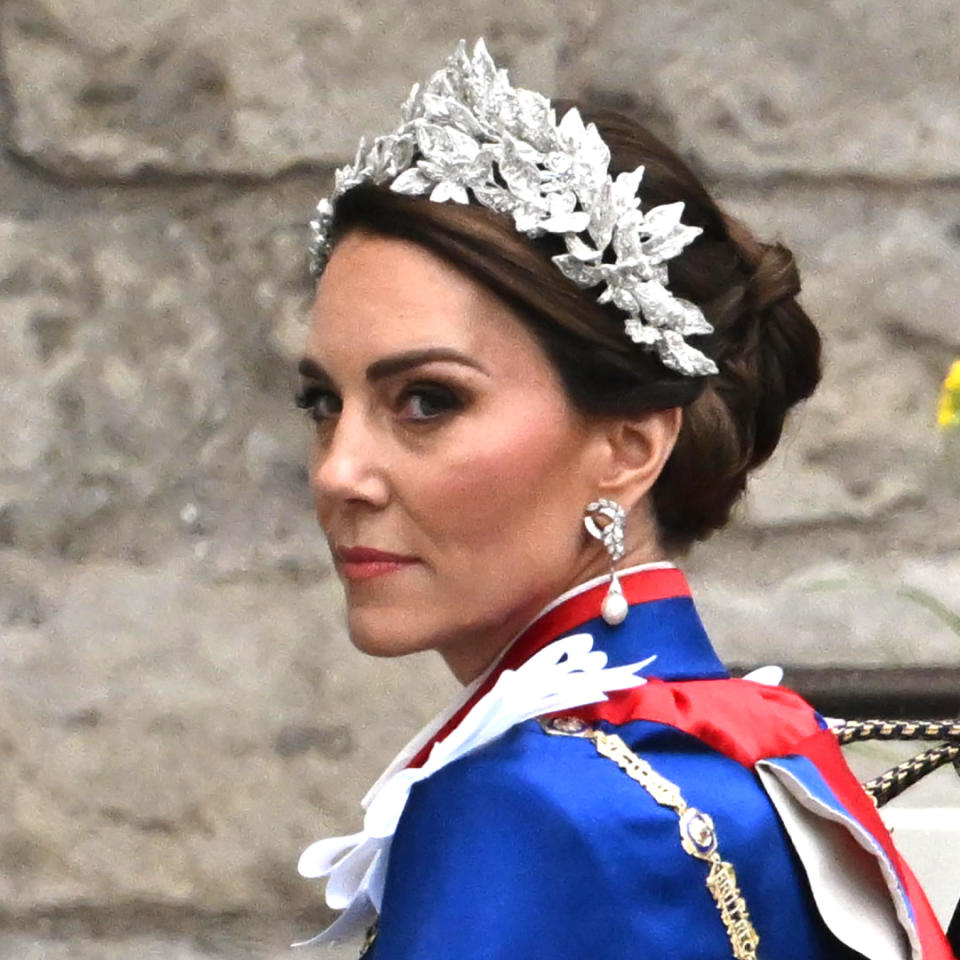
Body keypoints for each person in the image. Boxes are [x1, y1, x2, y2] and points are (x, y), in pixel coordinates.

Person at [292, 38, 955, 960]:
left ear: (628, 448)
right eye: (324, 402)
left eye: (427, 401)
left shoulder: (526, 804)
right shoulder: (756, 758)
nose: (337, 472)